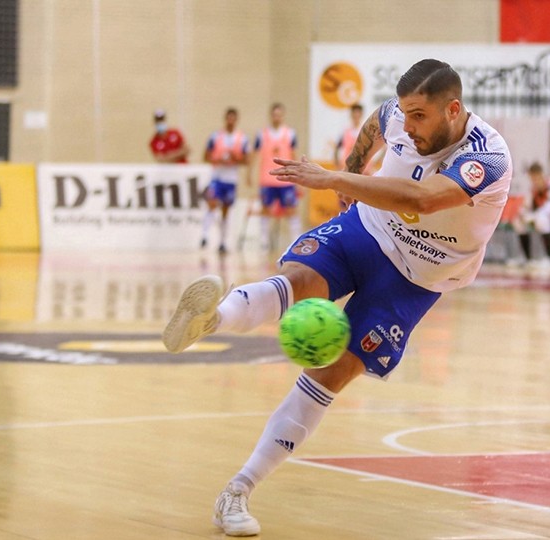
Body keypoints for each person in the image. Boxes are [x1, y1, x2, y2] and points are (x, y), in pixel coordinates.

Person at [162, 59, 512, 536]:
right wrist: (354, 167)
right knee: (301, 280)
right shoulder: (397, 116)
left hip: (418, 277)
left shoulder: (487, 157)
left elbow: (423, 200)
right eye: (405, 114)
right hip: (366, 230)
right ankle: (211, 319)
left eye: (419, 117)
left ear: (453, 109)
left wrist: (336, 180)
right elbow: (375, 123)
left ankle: (237, 490)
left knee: (329, 375)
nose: (406, 126)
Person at [253, 103, 302, 251]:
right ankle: (263, 242)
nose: (276, 117)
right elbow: (254, 155)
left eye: (279, 114)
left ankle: (296, 241)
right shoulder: (262, 134)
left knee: (291, 209)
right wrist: (250, 173)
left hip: (286, 179)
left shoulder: (290, 133)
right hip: (267, 179)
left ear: (283, 116)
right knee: (265, 210)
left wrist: (297, 174)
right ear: (271, 115)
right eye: (274, 114)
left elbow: (294, 155)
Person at [201, 107, 250, 254]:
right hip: (217, 177)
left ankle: (222, 242)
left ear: (236, 120)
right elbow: (206, 156)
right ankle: (204, 235)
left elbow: (246, 160)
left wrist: (235, 158)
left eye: (233, 118)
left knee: (226, 210)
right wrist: (218, 158)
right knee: (212, 203)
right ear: (225, 118)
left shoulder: (242, 138)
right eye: (228, 118)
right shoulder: (215, 136)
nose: (230, 121)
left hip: (231, 180)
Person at [519, 163, 550, 266]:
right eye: (532, 178)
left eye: (535, 178)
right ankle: (528, 259)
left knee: (541, 220)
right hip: (545, 217)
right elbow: (526, 206)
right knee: (519, 223)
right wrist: (523, 215)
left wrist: (532, 217)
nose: (534, 181)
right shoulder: (533, 189)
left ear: (541, 175)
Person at [334, 103, 365, 170]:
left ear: (361, 114)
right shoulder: (345, 131)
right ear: (351, 114)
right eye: (354, 113)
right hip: (347, 166)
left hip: (362, 168)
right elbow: (337, 147)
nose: (356, 115)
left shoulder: (365, 131)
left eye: (358, 113)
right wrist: (337, 164)